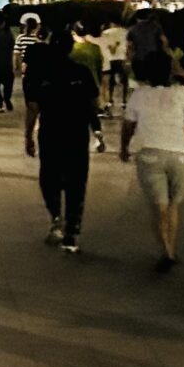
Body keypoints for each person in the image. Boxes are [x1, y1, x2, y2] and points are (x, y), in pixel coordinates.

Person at [122, 50, 184, 272]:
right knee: (174, 207)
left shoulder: (139, 95)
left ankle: (166, 250)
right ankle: (171, 249)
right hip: (179, 154)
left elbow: (128, 125)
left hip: (149, 154)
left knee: (159, 208)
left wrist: (125, 148)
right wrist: (181, 72)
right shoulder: (181, 93)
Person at [35, 27, 101, 253]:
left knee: (49, 178)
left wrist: (27, 135)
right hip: (77, 134)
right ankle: (71, 233)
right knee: (76, 183)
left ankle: (56, 218)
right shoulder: (81, 72)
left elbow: (33, 106)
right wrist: (98, 131)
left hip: (50, 133)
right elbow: (93, 104)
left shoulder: (42, 71)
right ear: (71, 47)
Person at [69, 19, 108, 152]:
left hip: (74, 87)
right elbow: (99, 68)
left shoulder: (72, 49)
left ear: (74, 32)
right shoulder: (95, 48)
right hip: (92, 85)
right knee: (92, 114)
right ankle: (97, 135)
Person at [18, 15, 48, 156]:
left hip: (30, 82)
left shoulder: (31, 49)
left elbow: (24, 66)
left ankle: (28, 137)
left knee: (31, 110)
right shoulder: (51, 50)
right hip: (46, 83)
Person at [98, 17, 129, 115]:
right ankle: (124, 101)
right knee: (124, 80)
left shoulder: (106, 33)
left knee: (110, 81)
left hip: (110, 59)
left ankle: (110, 100)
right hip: (122, 58)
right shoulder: (126, 32)